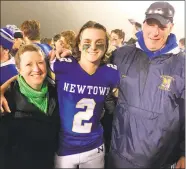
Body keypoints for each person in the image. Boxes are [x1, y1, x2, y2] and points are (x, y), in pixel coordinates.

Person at [107, 1, 185, 168]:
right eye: (151, 24)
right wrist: (69, 57)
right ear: (143, 24)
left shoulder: (182, 64)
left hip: (161, 161)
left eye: (162, 26)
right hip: (119, 156)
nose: (155, 32)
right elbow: (92, 72)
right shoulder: (121, 55)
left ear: (171, 27)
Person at [49, 20, 120, 168]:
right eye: (87, 42)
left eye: (99, 42)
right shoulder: (62, 65)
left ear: (106, 46)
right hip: (65, 148)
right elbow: (30, 72)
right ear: (79, 45)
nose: (93, 47)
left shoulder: (111, 72)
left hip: (94, 147)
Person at [0, 44, 60, 169]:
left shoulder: (56, 93)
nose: (36, 69)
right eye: (28, 64)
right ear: (19, 69)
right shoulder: (6, 99)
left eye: (40, 62)